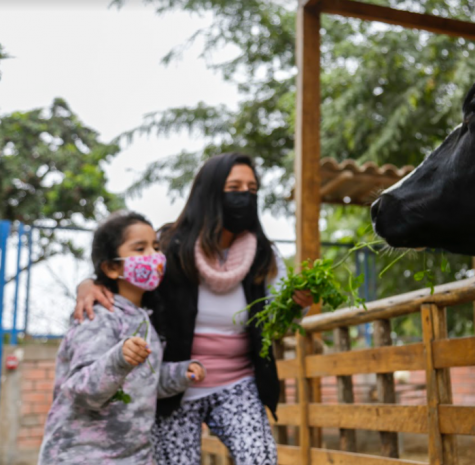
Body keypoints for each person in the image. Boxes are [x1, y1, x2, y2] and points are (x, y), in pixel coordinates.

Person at [74, 153, 313, 464]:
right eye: (234, 187)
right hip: (173, 385)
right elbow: (127, 275)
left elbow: (278, 324)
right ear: (211, 191)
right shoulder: (168, 246)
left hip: (238, 383)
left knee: (260, 458)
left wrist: (296, 307)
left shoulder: (265, 255)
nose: (245, 195)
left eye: (252, 189)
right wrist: (87, 284)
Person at [40, 211, 205, 464]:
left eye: (156, 247)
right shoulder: (98, 316)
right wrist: (120, 358)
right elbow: (82, 390)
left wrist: (182, 374)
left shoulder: (144, 319)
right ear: (112, 267)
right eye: (140, 249)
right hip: (82, 456)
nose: (154, 256)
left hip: (134, 457)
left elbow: (143, 383)